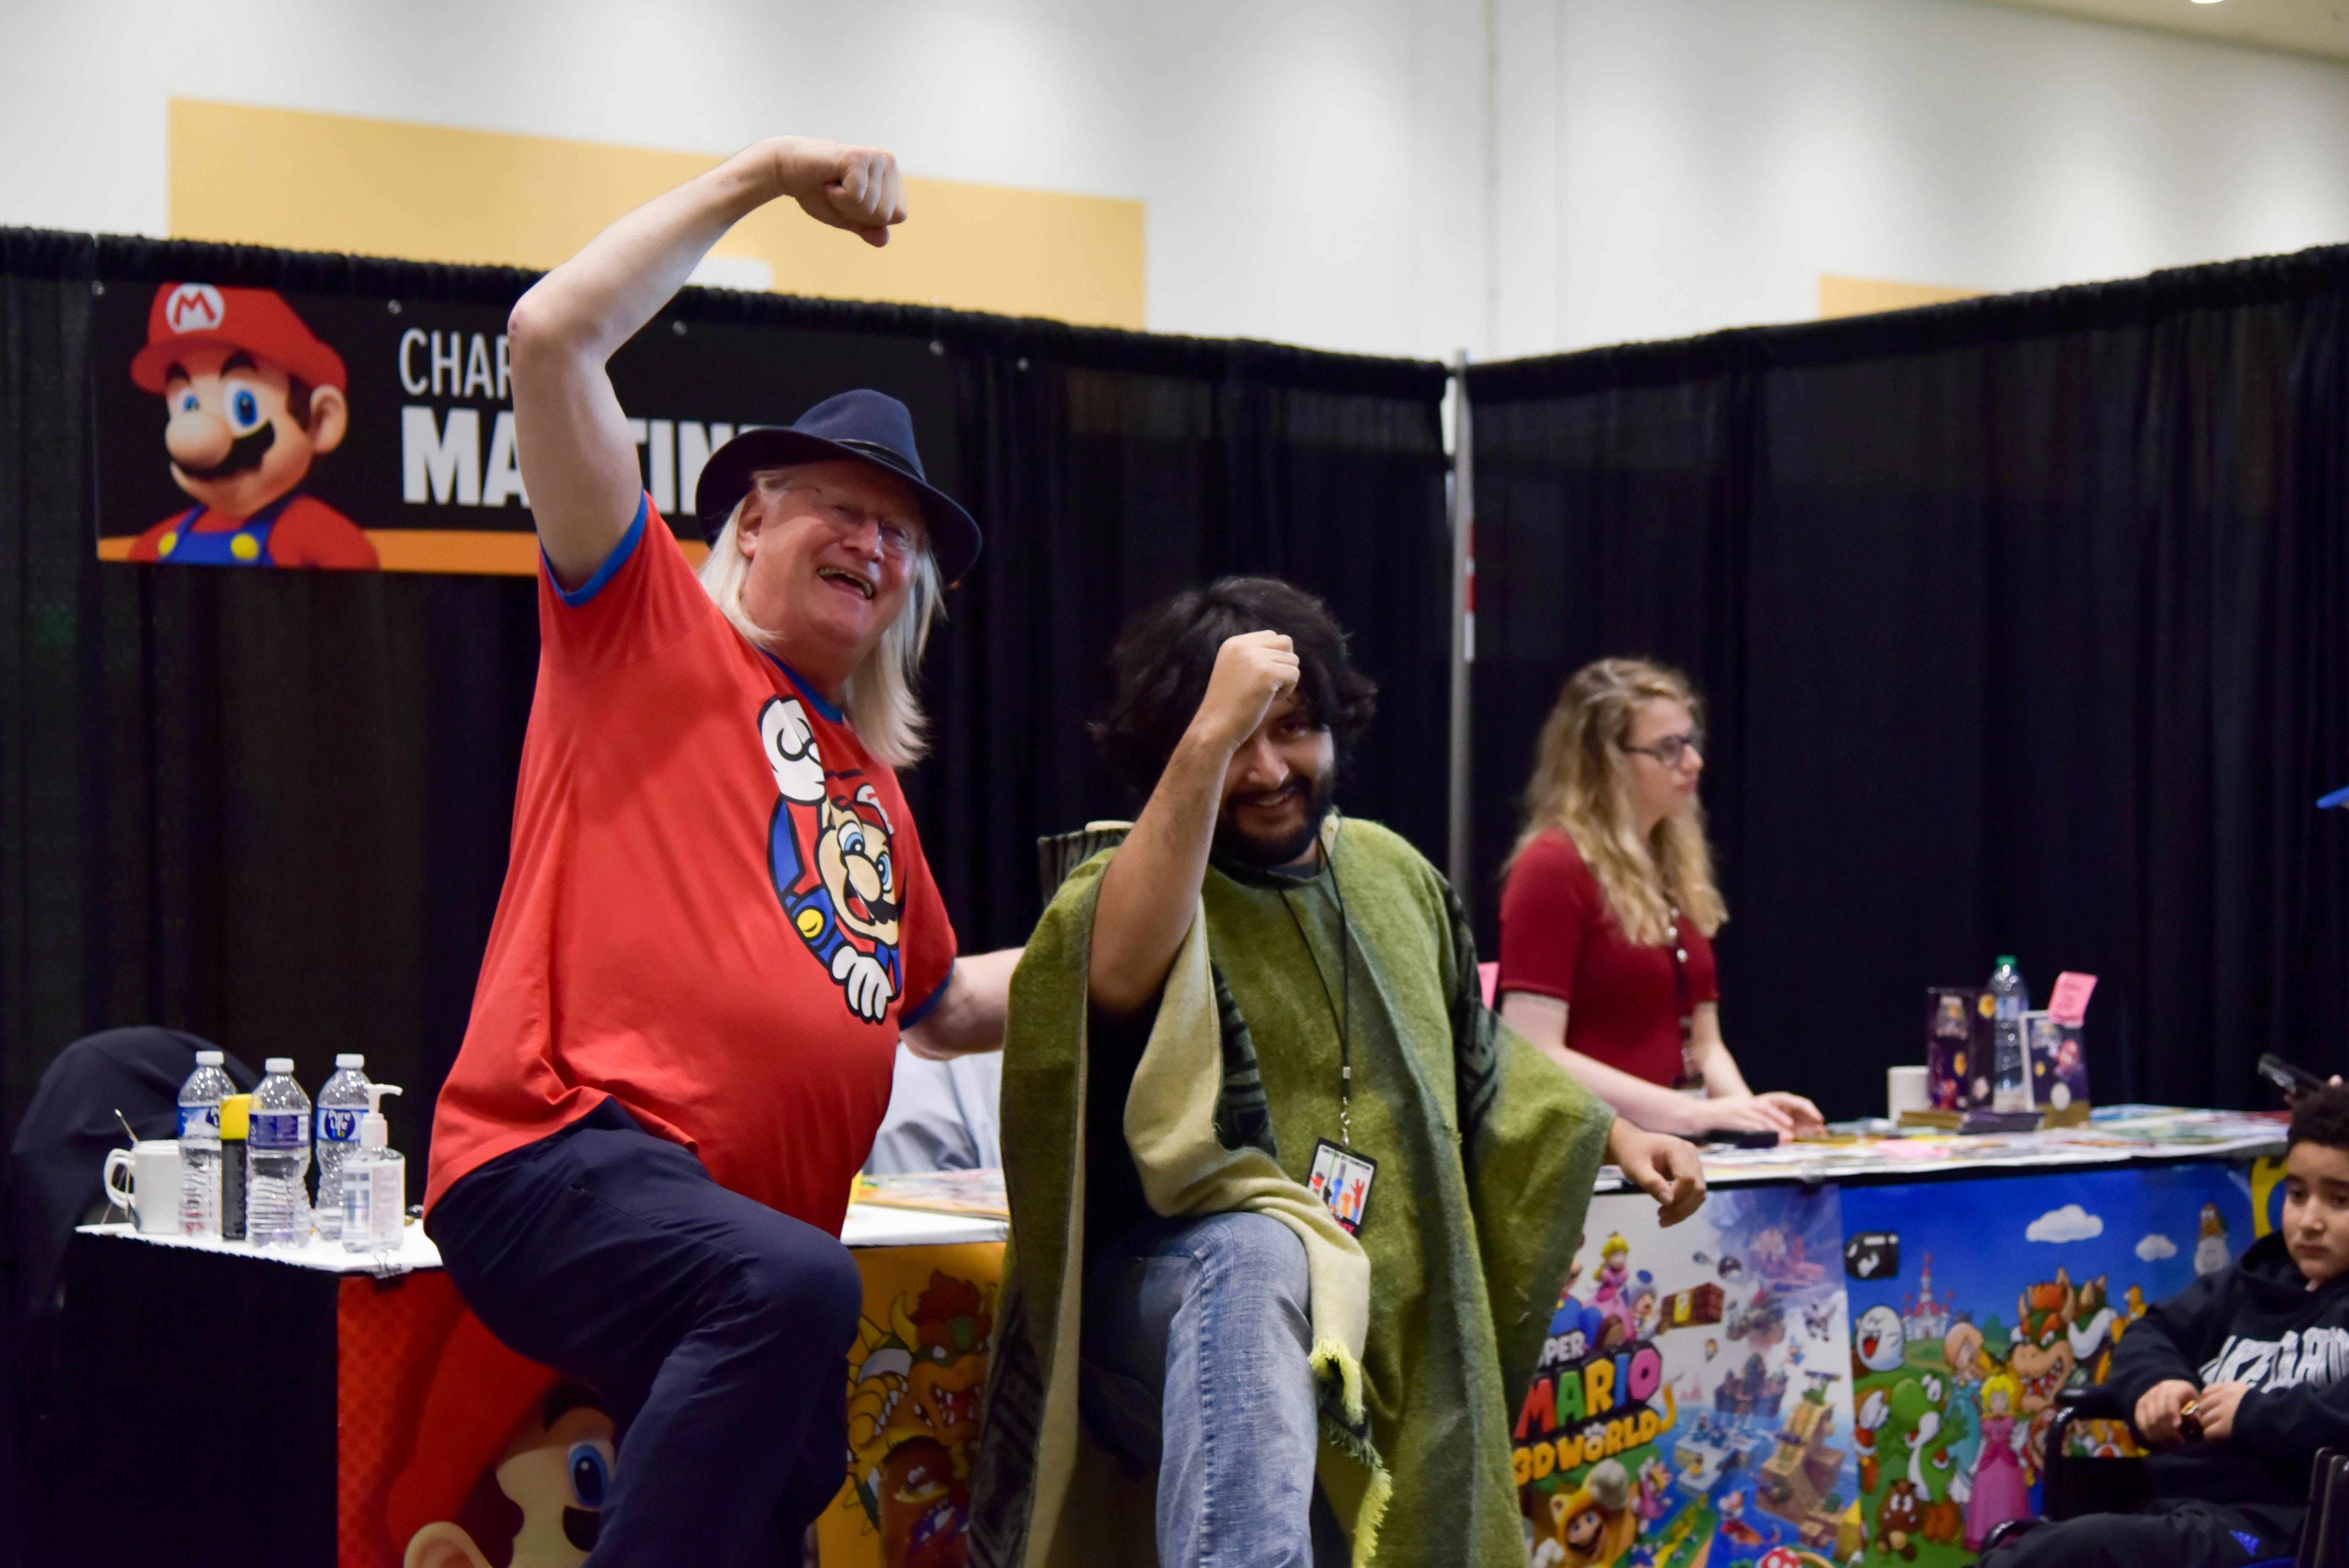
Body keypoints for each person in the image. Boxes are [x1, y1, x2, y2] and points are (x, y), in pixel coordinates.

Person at [420, 136, 1018, 1568]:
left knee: (796, 1466)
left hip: (726, 1251)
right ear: (750, 519)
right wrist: (763, 176)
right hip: (557, 1151)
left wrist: (1143, 915)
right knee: (798, 1288)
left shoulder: (871, 790)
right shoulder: (644, 631)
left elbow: (941, 1006)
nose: (875, 547)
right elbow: (550, 333)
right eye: (842, 509)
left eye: (899, 538)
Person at [969, 578, 1707, 1568]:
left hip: (1374, 1309)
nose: (1268, 768)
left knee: (1389, 1330)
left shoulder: (1391, 872)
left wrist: (1619, 1130)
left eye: (1295, 730)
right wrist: (1208, 732)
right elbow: (1115, 967)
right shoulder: (1126, 882)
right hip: (1161, 1311)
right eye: (1237, 739)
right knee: (1257, 1255)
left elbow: (1475, 1047)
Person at [1978, 1083, 2349, 1568]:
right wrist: (2159, 1385)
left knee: (2081, 1549)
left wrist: (2253, 1412)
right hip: (2177, 1509)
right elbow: (2150, 1332)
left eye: (2338, 1201)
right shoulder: (2249, 1283)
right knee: (2055, 1543)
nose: (2308, 1221)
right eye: (2296, 1195)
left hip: (2276, 1527)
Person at [1497, 658, 1822, 1139]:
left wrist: (1750, 1115)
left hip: (1672, 1149)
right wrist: (1692, 1115)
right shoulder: (1552, 866)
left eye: (1691, 743)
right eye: (1669, 749)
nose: (1693, 762)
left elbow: (1706, 1047)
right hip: (1592, 1159)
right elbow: (1533, 1051)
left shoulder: (1672, 866)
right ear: (1604, 759)